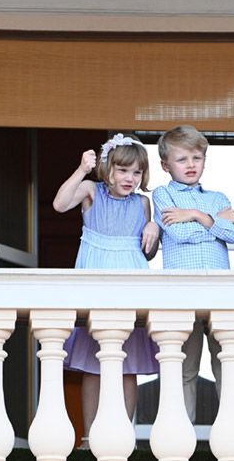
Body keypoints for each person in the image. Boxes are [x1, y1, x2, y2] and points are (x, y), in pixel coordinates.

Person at [53, 133, 160, 448]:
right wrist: (81, 170)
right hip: (95, 280)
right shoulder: (91, 191)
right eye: (123, 170)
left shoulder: (143, 203)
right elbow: (59, 204)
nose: (130, 178)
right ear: (108, 168)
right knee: (93, 363)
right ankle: (88, 436)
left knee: (128, 365)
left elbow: (147, 252)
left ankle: (123, 434)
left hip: (132, 281)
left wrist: (155, 228)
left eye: (137, 172)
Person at [151, 125, 234, 424]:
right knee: (185, 368)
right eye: (182, 159)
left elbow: (233, 233)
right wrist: (213, 225)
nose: (191, 165)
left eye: (196, 158)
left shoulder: (216, 198)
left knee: (225, 363)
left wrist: (197, 215)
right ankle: (181, 434)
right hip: (183, 292)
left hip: (219, 293)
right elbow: (177, 234)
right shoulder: (162, 195)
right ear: (166, 165)